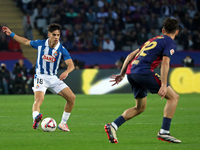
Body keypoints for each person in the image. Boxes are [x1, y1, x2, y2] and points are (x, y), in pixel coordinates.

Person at [104, 18, 181, 143]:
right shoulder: (170, 42)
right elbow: (165, 63)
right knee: (173, 97)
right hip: (143, 71)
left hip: (131, 72)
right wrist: (163, 85)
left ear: (163, 30)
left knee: (140, 107)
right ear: (176, 32)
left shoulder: (153, 39)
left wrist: (122, 74)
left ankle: (113, 125)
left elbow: (130, 55)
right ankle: (164, 132)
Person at [2, 23, 75, 131]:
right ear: (49, 35)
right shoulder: (40, 44)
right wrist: (11, 34)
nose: (56, 37)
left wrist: (67, 72)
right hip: (41, 77)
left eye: (58, 35)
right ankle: (35, 119)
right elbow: (26, 41)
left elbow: (71, 65)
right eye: (54, 34)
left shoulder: (61, 49)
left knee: (72, 98)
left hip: (54, 78)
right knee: (39, 99)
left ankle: (63, 124)